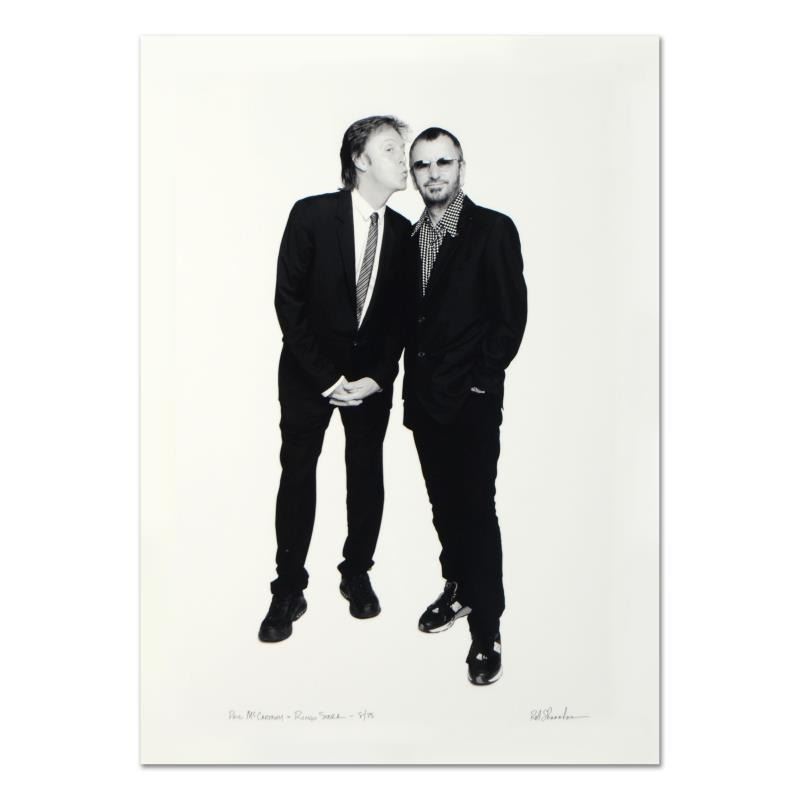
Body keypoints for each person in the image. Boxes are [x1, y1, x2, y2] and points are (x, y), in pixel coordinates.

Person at [258, 115, 412, 643]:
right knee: (298, 474)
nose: (403, 158)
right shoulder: (311, 214)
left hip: (369, 383)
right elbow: (288, 301)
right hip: (308, 376)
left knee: (366, 474)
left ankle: (357, 572)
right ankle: (288, 588)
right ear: (360, 159)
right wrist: (326, 379)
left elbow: (402, 319)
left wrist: (378, 377)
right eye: (391, 149)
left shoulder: (405, 233)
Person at [403, 127, 527, 684]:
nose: (433, 174)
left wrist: (482, 382)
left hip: (471, 402)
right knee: (442, 506)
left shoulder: (492, 229)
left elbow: (510, 317)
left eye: (443, 162)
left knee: (475, 510)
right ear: (413, 174)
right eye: (422, 165)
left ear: (461, 167)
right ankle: (457, 589)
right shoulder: (408, 238)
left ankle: (487, 626)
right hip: (424, 403)